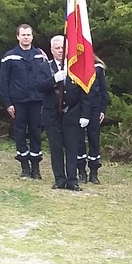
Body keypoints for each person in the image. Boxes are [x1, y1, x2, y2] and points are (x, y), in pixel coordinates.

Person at [0, 24, 52, 179]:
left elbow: (46, 80)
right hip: (18, 102)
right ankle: (24, 167)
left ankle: (36, 168)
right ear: (17, 37)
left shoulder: (40, 55)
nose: (26, 38)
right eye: (23, 35)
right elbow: (4, 81)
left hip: (37, 100)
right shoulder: (9, 56)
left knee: (36, 132)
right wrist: (8, 103)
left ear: (32, 37)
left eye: (28, 35)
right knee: (20, 132)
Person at [45, 35, 89, 191]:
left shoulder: (75, 68)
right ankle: (59, 179)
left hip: (72, 113)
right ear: (51, 50)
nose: (60, 50)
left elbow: (85, 92)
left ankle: (72, 179)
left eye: (63, 48)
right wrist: (53, 79)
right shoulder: (45, 67)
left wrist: (85, 114)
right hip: (52, 114)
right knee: (56, 148)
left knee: (72, 148)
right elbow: (38, 86)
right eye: (57, 48)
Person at [78, 57, 109, 184]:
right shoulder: (73, 64)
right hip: (78, 107)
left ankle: (94, 172)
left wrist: (102, 109)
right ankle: (81, 171)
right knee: (78, 140)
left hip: (95, 107)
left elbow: (103, 90)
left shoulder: (97, 67)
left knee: (94, 139)